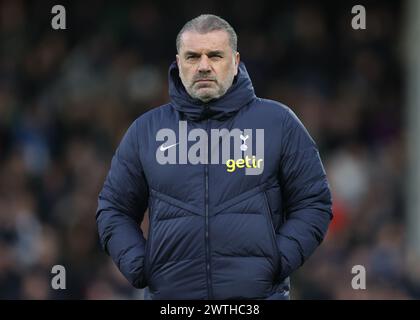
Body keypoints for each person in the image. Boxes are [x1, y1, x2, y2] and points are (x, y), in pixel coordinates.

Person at [96, 14, 333, 300]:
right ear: (178, 62)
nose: (204, 66)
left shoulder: (279, 123)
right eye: (193, 57)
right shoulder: (145, 131)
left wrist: (276, 263)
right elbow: (113, 208)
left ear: (235, 61)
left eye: (215, 56)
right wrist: (141, 266)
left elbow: (313, 203)